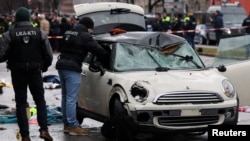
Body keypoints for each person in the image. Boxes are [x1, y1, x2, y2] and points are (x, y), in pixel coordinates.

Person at [0, 7, 53, 141]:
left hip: (18, 72)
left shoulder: (9, 34)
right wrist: (44, 66)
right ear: (29, 19)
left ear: (17, 19)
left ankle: (25, 135)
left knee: (21, 103)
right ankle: (44, 130)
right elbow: (49, 55)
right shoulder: (39, 32)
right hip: (35, 72)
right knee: (40, 101)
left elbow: (1, 55)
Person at [55, 17, 108, 135]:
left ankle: (67, 124)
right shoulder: (85, 36)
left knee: (65, 96)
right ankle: (73, 125)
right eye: (91, 29)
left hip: (61, 65)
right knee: (71, 98)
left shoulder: (68, 31)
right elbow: (98, 51)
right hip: (72, 67)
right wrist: (106, 55)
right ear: (89, 27)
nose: (91, 32)